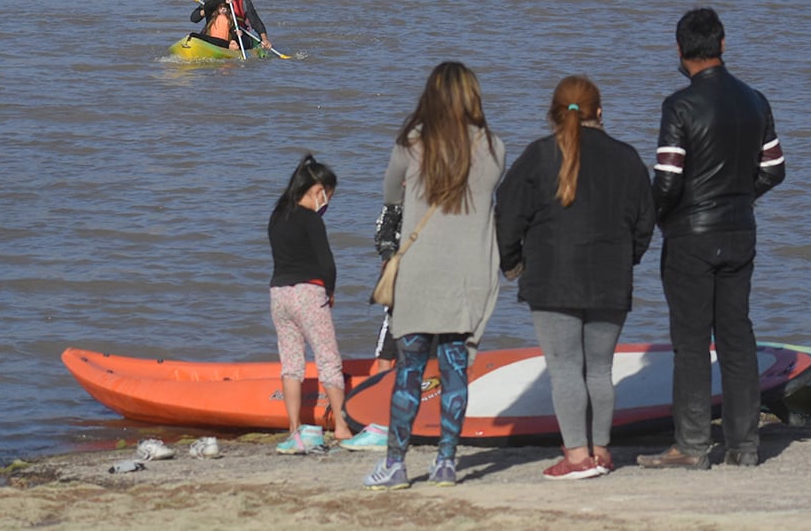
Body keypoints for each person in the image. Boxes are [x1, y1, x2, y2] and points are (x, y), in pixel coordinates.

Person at [638, 8, 785, 470]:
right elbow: (775, 169)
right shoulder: (756, 100)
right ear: (723, 45)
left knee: (691, 339)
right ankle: (744, 445)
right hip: (740, 230)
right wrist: (740, 197)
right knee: (737, 335)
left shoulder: (679, 106)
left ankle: (692, 445)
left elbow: (665, 182)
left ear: (680, 52)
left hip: (691, 237)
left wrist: (653, 221)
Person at [495, 76, 655, 480]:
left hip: (551, 278)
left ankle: (578, 457)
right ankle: (601, 452)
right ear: (600, 112)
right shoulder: (627, 157)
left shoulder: (538, 155)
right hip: (610, 276)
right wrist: (627, 258)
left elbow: (507, 215)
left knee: (565, 367)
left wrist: (512, 262)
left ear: (553, 114)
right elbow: (645, 221)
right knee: (600, 369)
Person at [363, 61, 506, 489]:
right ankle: (446, 461)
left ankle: (396, 464)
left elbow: (391, 194)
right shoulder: (494, 147)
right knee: (454, 370)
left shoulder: (411, 144)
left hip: (419, 276)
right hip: (468, 276)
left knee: (408, 370)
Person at [268, 153, 355, 454]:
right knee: (328, 358)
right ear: (318, 191)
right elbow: (326, 263)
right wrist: (329, 291)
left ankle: (294, 429)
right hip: (308, 292)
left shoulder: (278, 216)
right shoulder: (311, 220)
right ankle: (342, 426)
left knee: (291, 363)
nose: (329, 200)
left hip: (279, 293)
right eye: (329, 193)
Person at [190, 0, 270, 50]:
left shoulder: (244, 2)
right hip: (214, 35)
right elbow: (194, 18)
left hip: (237, 35)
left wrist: (264, 39)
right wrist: (207, 10)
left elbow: (256, 22)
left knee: (240, 37)